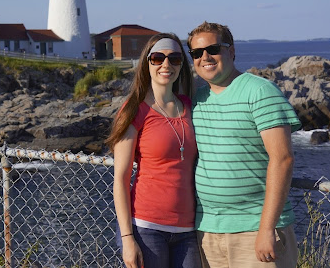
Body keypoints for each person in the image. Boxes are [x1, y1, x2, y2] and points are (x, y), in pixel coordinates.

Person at [187, 21, 301, 268]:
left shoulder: (260, 91)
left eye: (213, 49)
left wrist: (267, 229)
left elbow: (283, 159)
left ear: (231, 51)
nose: (205, 57)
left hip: (255, 230)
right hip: (207, 231)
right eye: (196, 53)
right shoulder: (197, 100)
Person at [106, 33, 201, 268]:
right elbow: (121, 180)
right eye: (158, 58)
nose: (166, 64)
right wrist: (127, 238)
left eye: (174, 59)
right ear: (147, 63)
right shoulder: (134, 110)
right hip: (146, 228)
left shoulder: (191, 107)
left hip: (188, 229)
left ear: (182, 64)